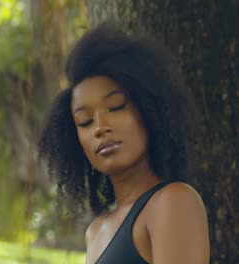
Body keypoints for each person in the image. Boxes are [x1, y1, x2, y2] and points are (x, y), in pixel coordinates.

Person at [38, 23, 210, 264]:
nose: (100, 127)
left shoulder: (173, 202)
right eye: (85, 121)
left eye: (116, 106)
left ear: (149, 109)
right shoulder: (96, 231)